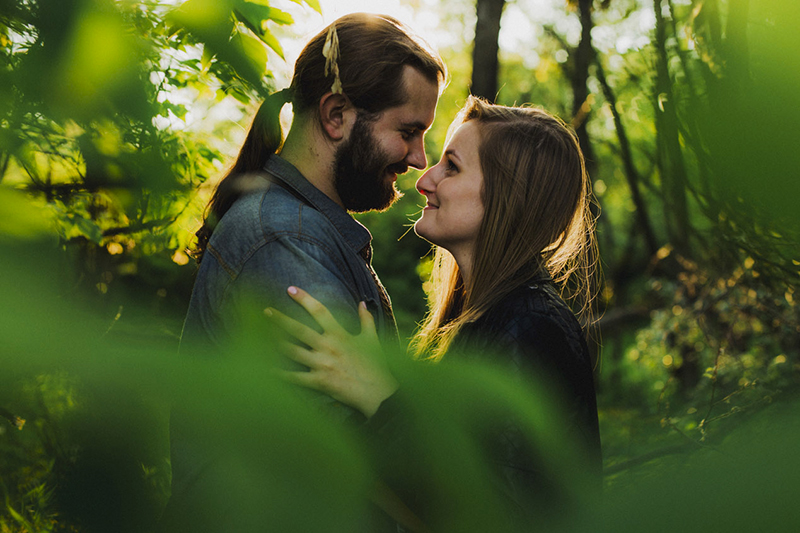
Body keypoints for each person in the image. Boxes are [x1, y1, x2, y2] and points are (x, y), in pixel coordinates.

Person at [162, 13, 447, 532]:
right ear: (336, 115)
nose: (417, 158)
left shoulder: (297, 230)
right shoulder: (286, 242)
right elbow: (340, 469)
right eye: (408, 132)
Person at [268, 95, 602, 529]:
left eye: (452, 166)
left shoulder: (530, 325)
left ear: (509, 196)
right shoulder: (488, 316)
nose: (425, 180)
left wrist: (382, 400)